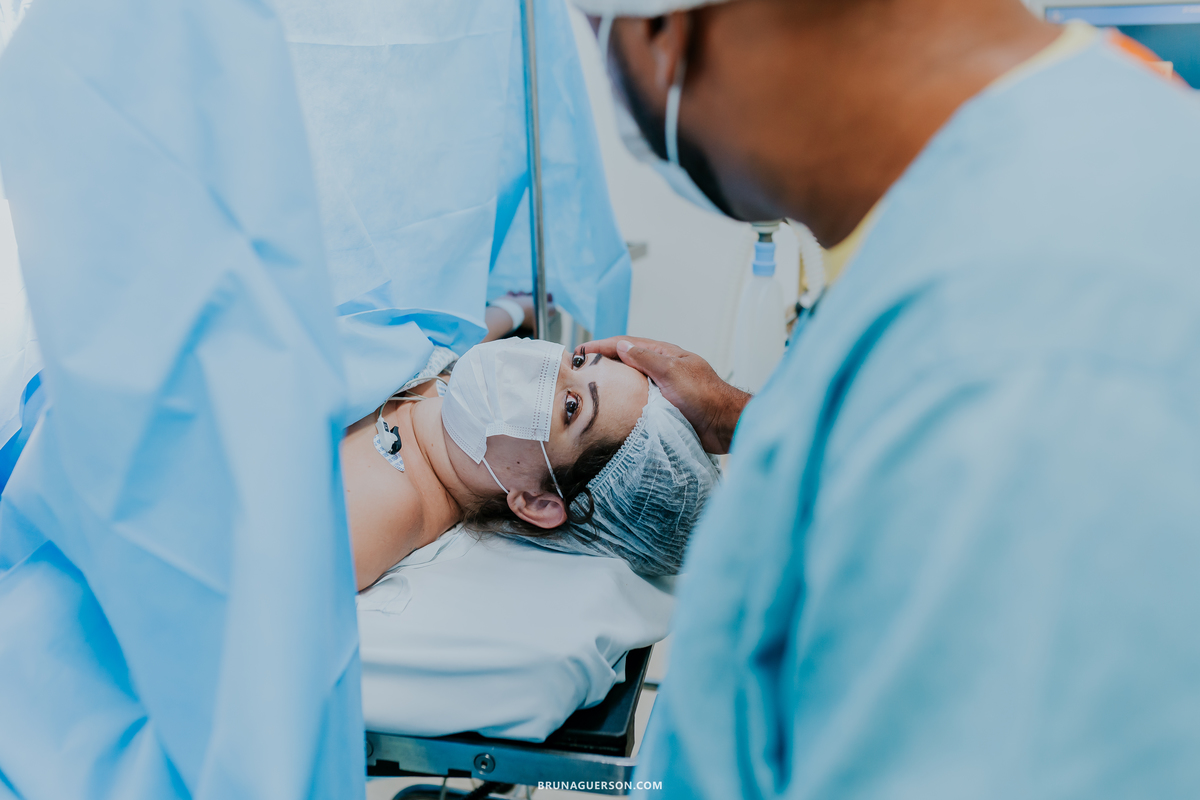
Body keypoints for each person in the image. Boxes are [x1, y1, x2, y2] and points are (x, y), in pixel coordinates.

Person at [573, 0, 1200, 797]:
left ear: (665, 28)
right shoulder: (1094, 135)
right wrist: (740, 415)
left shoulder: (1014, 370)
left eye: (598, 31)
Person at [340, 336, 720, 590]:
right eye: (579, 359)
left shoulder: (387, 508)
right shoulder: (447, 385)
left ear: (536, 502)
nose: (549, 365)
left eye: (571, 407)